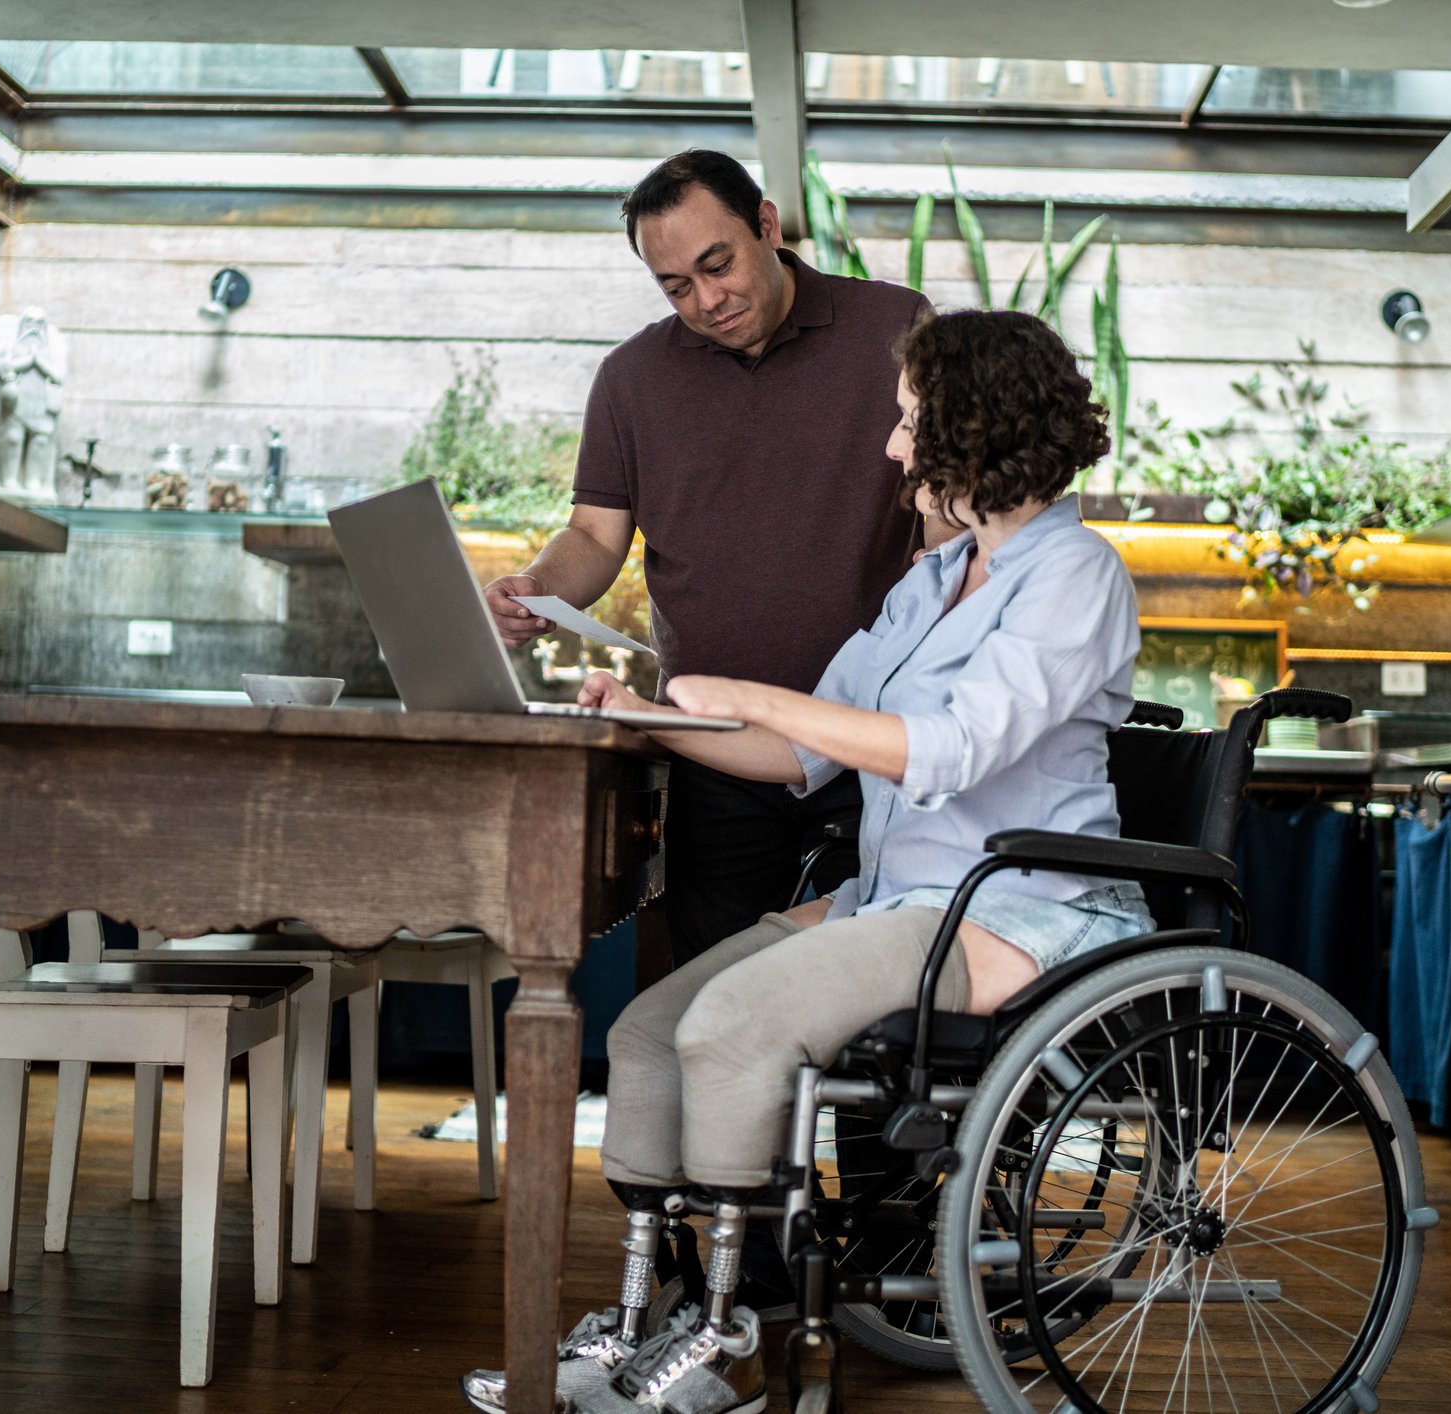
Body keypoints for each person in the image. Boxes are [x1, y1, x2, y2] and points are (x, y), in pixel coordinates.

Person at [461, 310, 1155, 1414]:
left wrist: (743, 690)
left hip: (1013, 908)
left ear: (971, 431)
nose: (889, 445)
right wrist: (648, 717)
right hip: (894, 896)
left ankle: (726, 1349)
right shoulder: (931, 585)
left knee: (728, 1029)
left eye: (908, 421)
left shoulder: (1073, 575)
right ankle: (648, 1318)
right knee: (645, 1032)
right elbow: (800, 749)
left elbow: (944, 749)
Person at [481, 148, 935, 967]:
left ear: (766, 224)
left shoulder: (895, 328)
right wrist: (535, 588)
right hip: (710, 752)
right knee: (703, 998)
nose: (708, 299)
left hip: (873, 742)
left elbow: (950, 510)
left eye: (717, 265)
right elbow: (593, 538)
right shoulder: (631, 379)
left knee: (876, 999)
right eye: (676, 285)